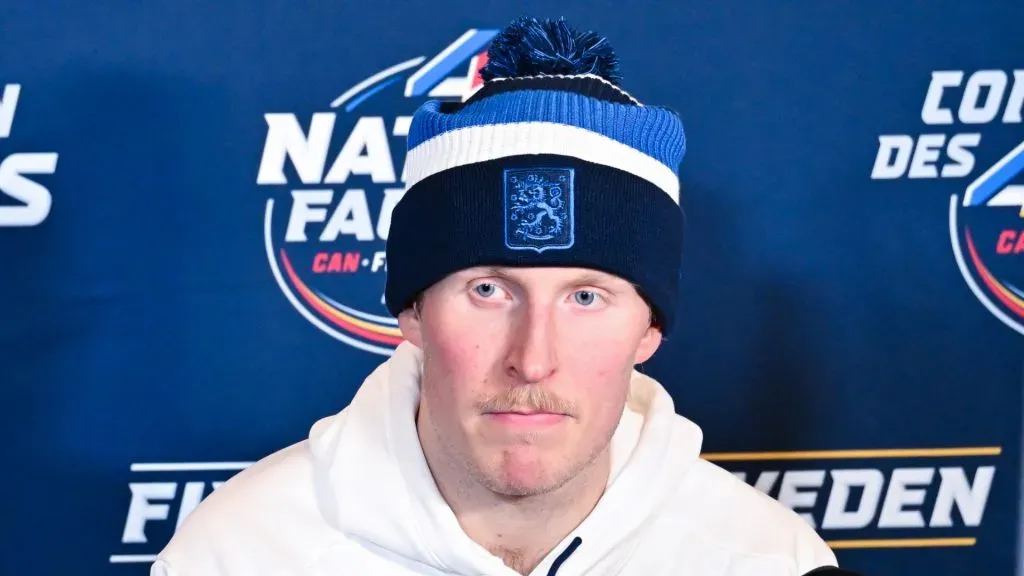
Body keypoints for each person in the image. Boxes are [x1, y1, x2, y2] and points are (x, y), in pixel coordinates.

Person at [152, 15, 839, 576]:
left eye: (585, 298)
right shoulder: (239, 553)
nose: (532, 360)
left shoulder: (767, 560)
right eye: (488, 290)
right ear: (413, 310)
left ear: (650, 329)